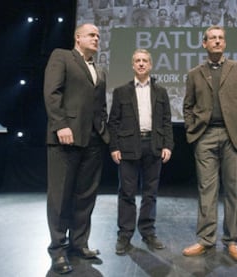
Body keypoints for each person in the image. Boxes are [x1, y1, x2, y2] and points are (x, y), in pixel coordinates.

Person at [182, 26, 237, 262]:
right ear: (204, 44)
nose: (217, 42)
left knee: (233, 191)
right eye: (212, 39)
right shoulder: (194, 73)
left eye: (220, 38)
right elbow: (188, 106)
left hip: (233, 137)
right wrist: (192, 130)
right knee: (206, 190)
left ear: (224, 43)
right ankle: (206, 240)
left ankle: (232, 241)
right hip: (205, 137)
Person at [43, 23, 110, 274]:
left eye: (98, 36)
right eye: (92, 35)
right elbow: (52, 93)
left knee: (85, 196)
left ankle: (79, 243)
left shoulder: (99, 70)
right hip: (65, 137)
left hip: (92, 140)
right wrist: (60, 124)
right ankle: (57, 250)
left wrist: (103, 132)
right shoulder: (61, 56)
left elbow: (100, 105)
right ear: (77, 37)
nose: (96, 38)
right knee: (60, 197)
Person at [108, 49, 174, 255]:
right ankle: (125, 235)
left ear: (151, 65)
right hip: (128, 147)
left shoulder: (161, 92)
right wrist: (114, 147)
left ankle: (148, 233)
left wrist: (168, 145)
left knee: (150, 194)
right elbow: (113, 122)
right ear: (132, 65)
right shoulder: (121, 91)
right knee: (126, 193)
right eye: (137, 60)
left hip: (153, 146)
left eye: (145, 60)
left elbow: (166, 121)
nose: (141, 64)